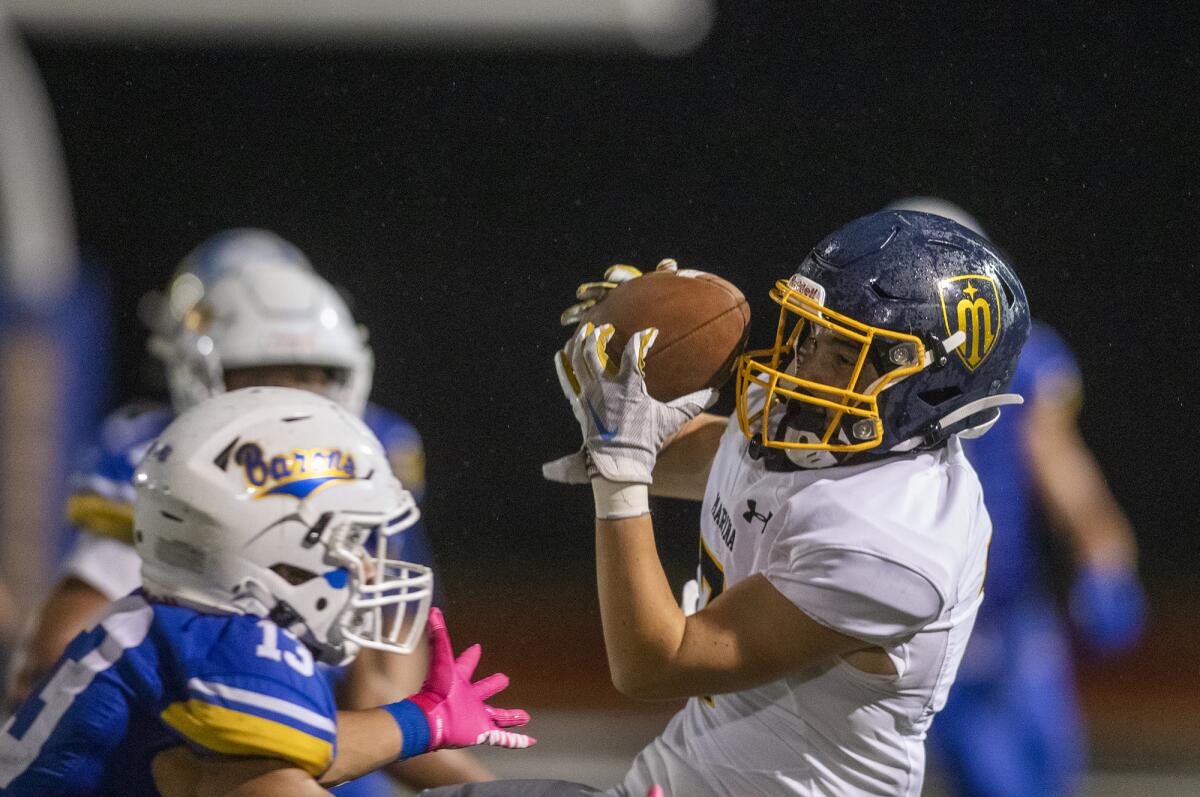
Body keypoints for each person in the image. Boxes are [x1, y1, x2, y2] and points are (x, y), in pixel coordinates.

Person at [423, 209, 1031, 797]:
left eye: (843, 355)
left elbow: (653, 662)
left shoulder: (895, 545)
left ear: (931, 387)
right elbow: (659, 446)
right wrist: (617, 364)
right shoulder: (817, 421)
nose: (806, 362)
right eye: (812, 332)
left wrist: (619, 467)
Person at [4, 229, 492, 791]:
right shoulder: (192, 543)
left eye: (311, 376)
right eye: (260, 376)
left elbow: (374, 693)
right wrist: (419, 722)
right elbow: (271, 771)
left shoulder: (362, 455)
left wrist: (442, 739)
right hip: (249, 712)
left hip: (300, 714)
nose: (291, 398)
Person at [0, 387, 533, 796]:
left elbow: (276, 760)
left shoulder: (192, 617)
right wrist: (423, 720)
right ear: (278, 543)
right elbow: (295, 768)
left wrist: (424, 720)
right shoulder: (219, 635)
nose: (369, 567)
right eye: (351, 539)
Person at [884, 198, 1146, 797]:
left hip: (999, 630)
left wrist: (1104, 558)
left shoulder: (1023, 367)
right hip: (885, 636)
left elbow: (1064, 471)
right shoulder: (857, 370)